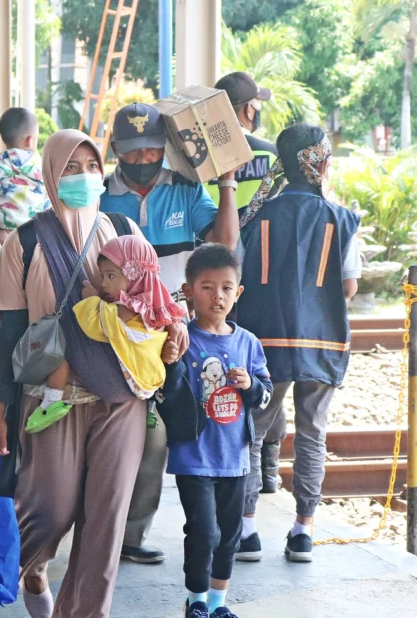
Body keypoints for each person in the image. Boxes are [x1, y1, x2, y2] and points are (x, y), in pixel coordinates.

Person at [0, 129, 154, 618]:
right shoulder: (25, 241)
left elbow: (153, 305)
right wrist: (0, 409)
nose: (84, 177)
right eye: (71, 169)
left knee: (106, 520)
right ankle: (34, 569)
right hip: (51, 397)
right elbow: (13, 334)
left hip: (122, 397)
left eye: (91, 167)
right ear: (50, 176)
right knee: (50, 509)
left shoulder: (123, 228)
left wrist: (175, 330)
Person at [100, 102, 239, 565]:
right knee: (124, 436)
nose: (143, 160)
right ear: (117, 149)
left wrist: (226, 184)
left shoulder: (185, 190)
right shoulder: (101, 196)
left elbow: (224, 247)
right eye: (133, 152)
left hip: (179, 336)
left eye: (152, 151)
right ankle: (109, 529)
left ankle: (134, 535)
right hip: (122, 337)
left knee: (166, 436)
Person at [235, 123, 360, 564]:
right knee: (313, 432)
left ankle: (246, 529)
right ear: (320, 164)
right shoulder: (341, 219)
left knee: (251, 433)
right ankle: (303, 531)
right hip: (322, 343)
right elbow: (347, 289)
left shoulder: (256, 217)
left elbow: (237, 279)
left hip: (264, 343)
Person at [156, 244, 272, 618]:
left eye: (226, 287)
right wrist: (171, 365)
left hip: (235, 459)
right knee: (204, 533)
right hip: (194, 456)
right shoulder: (181, 340)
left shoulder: (248, 342)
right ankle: (196, 601)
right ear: (188, 291)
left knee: (229, 536)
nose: (217, 296)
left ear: (238, 292)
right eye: (206, 287)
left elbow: (265, 397)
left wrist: (250, 385)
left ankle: (219, 604)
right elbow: (167, 398)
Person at [31, 235, 187, 432]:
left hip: (134, 380)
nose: (104, 283)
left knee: (61, 352)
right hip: (151, 380)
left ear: (135, 275)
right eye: (102, 276)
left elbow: (94, 327)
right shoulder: (157, 304)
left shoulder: (129, 309)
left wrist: (90, 300)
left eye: (111, 276)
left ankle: (50, 402)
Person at [213, 72, 285, 492]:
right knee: (266, 371)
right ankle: (269, 463)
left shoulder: (200, 163)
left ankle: (230, 451)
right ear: (247, 110)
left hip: (214, 280)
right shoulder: (273, 155)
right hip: (262, 278)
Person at [206, 72, 276, 219]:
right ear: (248, 110)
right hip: (259, 240)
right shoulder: (273, 155)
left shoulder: (201, 159)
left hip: (212, 239)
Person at [0, 107, 50, 244]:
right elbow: (48, 203)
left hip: (3, 237)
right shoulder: (42, 166)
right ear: (29, 140)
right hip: (37, 236)